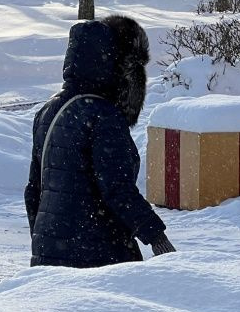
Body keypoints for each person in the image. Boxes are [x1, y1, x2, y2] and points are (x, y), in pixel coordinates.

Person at [25, 15, 175, 268]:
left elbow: (33, 191)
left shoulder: (48, 111)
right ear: (119, 67)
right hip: (97, 250)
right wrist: (155, 236)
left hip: (49, 251)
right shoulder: (103, 115)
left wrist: (44, 241)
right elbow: (117, 188)